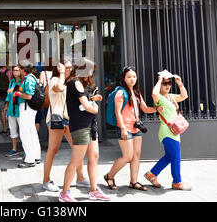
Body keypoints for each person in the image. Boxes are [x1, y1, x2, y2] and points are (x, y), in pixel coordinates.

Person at [59, 58, 109, 202]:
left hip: (89, 125)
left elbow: (82, 102)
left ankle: (94, 190)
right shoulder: (76, 83)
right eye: (90, 69)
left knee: (94, 157)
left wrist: (92, 99)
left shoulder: (80, 84)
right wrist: (95, 107)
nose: (92, 73)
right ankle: (64, 193)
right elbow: (86, 107)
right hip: (81, 126)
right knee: (76, 160)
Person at [103, 66, 160, 191]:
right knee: (127, 156)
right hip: (125, 128)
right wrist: (123, 128)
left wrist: (157, 109)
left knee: (136, 156)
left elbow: (144, 108)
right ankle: (109, 176)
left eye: (134, 76)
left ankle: (133, 182)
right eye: (129, 77)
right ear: (124, 78)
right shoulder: (120, 92)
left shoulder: (136, 92)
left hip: (136, 128)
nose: (132, 79)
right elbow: (118, 112)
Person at [42, 61, 90, 192]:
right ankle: (46, 180)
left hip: (68, 119)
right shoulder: (55, 79)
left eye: (70, 67)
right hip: (56, 119)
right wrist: (62, 73)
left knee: (77, 149)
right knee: (53, 149)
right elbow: (59, 88)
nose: (69, 70)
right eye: (65, 67)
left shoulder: (69, 81)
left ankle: (80, 178)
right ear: (58, 68)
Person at [144, 73, 192, 191]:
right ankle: (177, 182)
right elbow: (154, 94)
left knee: (169, 156)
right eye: (164, 83)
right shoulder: (159, 97)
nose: (167, 85)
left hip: (174, 131)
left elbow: (184, 96)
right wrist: (160, 79)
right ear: (160, 84)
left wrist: (179, 83)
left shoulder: (170, 96)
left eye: (169, 83)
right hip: (167, 131)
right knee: (176, 156)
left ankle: (152, 174)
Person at [14, 60, 42, 168]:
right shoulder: (31, 77)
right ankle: (35, 156)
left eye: (19, 68)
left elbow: (29, 96)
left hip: (27, 108)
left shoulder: (28, 79)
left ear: (23, 69)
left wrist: (19, 94)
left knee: (25, 133)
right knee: (32, 131)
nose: (19, 70)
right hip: (29, 108)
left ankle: (30, 159)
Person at [4, 65, 22, 157]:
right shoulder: (11, 81)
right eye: (14, 70)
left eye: (17, 70)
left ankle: (27, 150)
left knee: (23, 130)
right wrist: (6, 106)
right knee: (12, 129)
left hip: (20, 109)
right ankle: (14, 148)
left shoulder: (23, 81)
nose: (15, 72)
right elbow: (8, 95)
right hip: (11, 109)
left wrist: (14, 89)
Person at [0, 61, 12, 134]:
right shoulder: (10, 72)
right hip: (9, 94)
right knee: (9, 109)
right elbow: (11, 82)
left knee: (1, 111)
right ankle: (10, 127)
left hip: (0, 94)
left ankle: (4, 128)